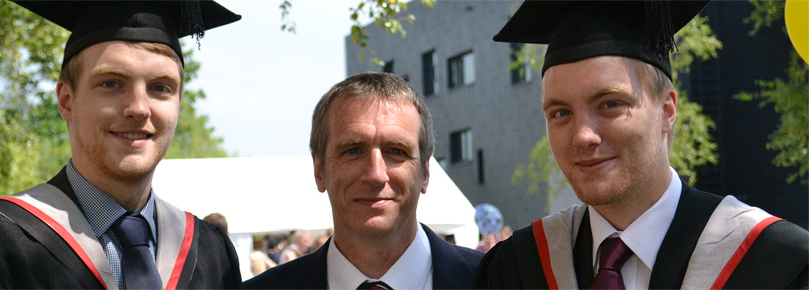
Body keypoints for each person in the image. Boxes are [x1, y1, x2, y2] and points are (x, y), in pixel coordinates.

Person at [474, 1, 808, 289]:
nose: (583, 135)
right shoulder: (517, 269)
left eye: (610, 104)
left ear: (667, 111)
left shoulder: (774, 263)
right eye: (560, 112)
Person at [0, 1, 244, 289]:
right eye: (111, 83)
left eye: (160, 88)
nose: (139, 108)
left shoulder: (211, 253)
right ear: (66, 101)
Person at [244, 72, 484, 289]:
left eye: (396, 151)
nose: (376, 174)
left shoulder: (497, 281)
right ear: (319, 170)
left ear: (425, 172)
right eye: (353, 150)